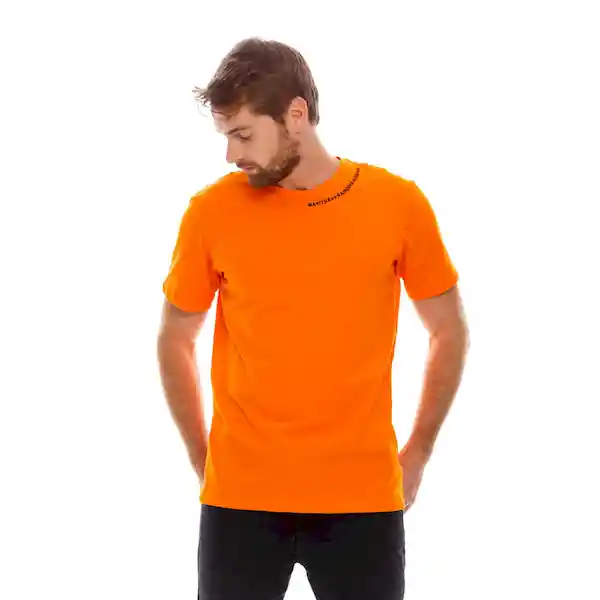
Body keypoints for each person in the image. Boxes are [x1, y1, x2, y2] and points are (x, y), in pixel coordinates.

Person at [157, 37, 470, 600]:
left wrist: (419, 450)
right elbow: (176, 337)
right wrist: (203, 458)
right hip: (240, 501)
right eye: (226, 136)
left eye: (242, 134)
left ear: (295, 114)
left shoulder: (397, 204)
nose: (230, 154)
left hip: (362, 500)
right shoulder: (210, 212)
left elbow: (448, 330)